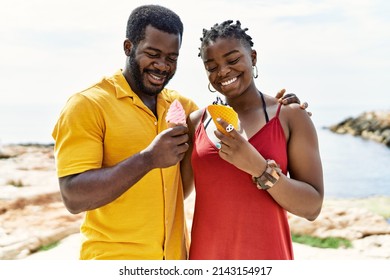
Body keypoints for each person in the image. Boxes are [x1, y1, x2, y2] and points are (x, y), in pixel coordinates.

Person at [52, 5, 305, 260]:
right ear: (129, 47)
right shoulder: (88, 105)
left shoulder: (183, 109)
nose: (162, 66)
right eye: (153, 54)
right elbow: (73, 197)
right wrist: (147, 159)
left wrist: (283, 107)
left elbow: (235, 113)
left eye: (171, 58)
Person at [181, 20, 324, 260]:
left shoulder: (290, 116)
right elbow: (174, 193)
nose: (223, 71)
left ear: (253, 57)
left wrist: (258, 167)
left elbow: (312, 208)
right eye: (211, 65)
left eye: (233, 59)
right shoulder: (196, 123)